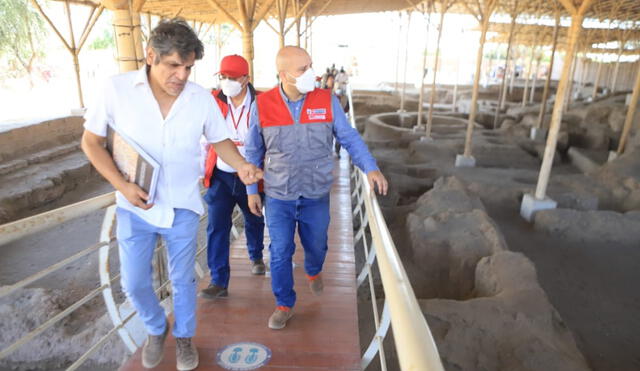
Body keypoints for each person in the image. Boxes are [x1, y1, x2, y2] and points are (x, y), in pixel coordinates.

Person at [81, 19, 262, 371]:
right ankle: (155, 326)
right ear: (151, 56)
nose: (182, 75)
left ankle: (184, 338)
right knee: (133, 283)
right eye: (173, 65)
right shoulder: (115, 90)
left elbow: (220, 139)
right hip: (134, 206)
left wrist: (241, 165)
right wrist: (122, 185)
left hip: (183, 203)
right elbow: (91, 142)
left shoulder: (199, 99)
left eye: (189, 67)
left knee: (183, 280)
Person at [245, 46, 388, 330]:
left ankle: (313, 269)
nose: (312, 73)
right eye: (303, 69)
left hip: (315, 193)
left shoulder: (326, 99)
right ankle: (284, 303)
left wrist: (369, 167)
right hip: (278, 194)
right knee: (280, 249)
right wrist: (252, 191)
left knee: (317, 244)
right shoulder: (262, 105)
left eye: (311, 66)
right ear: (284, 75)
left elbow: (348, 137)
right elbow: (252, 151)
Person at [200, 54, 266, 300]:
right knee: (217, 226)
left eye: (232, 78)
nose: (226, 82)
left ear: (246, 79)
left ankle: (256, 255)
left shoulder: (261, 101)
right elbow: (202, 135)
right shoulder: (213, 100)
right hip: (221, 174)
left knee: (254, 217)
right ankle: (219, 281)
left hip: (251, 173)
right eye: (223, 77)